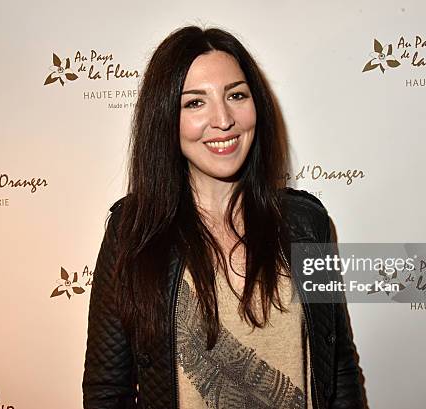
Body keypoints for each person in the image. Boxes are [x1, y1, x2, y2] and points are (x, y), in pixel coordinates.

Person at [83, 26, 364, 409]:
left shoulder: (308, 224)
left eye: (236, 95)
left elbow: (339, 369)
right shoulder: (132, 233)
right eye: (195, 103)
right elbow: (107, 391)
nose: (223, 120)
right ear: (165, 116)